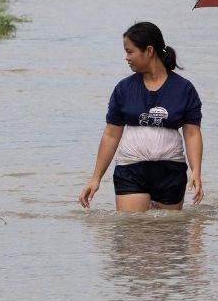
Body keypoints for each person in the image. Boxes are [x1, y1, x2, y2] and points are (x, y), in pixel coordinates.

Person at [78, 22, 203, 212]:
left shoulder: (184, 89)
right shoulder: (123, 89)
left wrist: (196, 172)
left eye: (130, 52)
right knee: (132, 232)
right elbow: (111, 135)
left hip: (171, 171)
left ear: (149, 51)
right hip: (130, 169)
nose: (126, 58)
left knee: (169, 235)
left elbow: (192, 134)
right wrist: (95, 179)